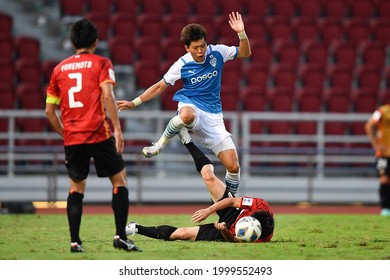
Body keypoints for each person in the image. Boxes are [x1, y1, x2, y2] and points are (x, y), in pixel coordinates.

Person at [117, 12, 251, 195]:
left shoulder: (218, 52)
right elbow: (159, 87)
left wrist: (241, 33)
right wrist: (134, 103)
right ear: (187, 48)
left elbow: (245, 52)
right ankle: (159, 145)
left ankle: (229, 205)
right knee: (187, 115)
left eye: (203, 46)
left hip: (213, 116)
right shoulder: (181, 64)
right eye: (195, 48)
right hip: (191, 104)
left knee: (234, 166)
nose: (201, 51)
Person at [45, 18, 141, 252]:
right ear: (96, 42)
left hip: (73, 137)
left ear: (72, 42)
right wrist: (117, 129)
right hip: (98, 132)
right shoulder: (101, 63)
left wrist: (65, 134)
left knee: (76, 188)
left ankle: (75, 242)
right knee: (119, 181)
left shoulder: (59, 69)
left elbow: (49, 111)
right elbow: (108, 96)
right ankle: (120, 237)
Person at [125, 137, 275, 243]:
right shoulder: (259, 204)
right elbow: (231, 201)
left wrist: (223, 230)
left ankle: (135, 228)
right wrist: (208, 211)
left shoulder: (259, 238)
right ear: (253, 214)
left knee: (182, 234)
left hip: (225, 231)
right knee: (208, 176)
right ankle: (186, 140)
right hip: (233, 213)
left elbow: (235, 240)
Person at [365, 104, 390, 216]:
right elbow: (369, 125)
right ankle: (385, 208)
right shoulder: (383, 111)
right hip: (383, 154)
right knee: (384, 179)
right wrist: (376, 145)